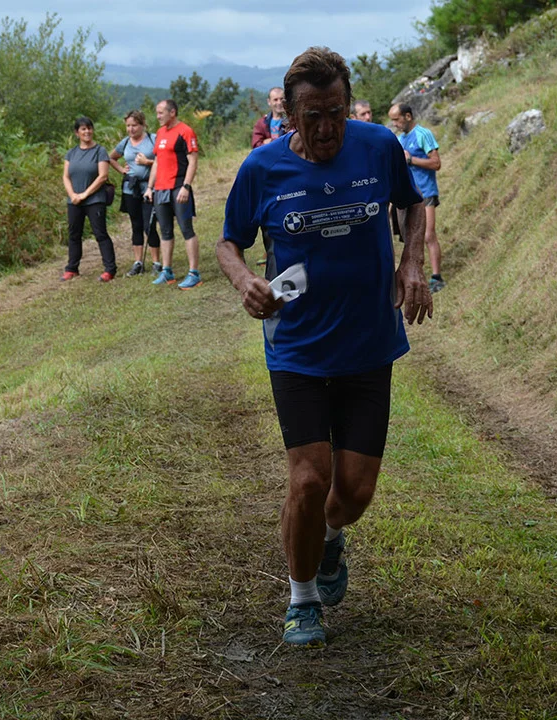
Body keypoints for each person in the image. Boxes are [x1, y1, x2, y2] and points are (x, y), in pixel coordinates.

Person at [216, 46, 432, 647]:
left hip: (369, 343)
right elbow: (229, 243)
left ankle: (330, 538)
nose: (328, 127)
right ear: (289, 115)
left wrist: (412, 262)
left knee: (354, 493)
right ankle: (302, 597)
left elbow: (412, 204)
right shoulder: (262, 168)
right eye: (313, 116)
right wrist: (244, 281)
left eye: (337, 112)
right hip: (299, 349)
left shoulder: (378, 145)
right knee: (309, 480)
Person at [144, 99, 202, 289]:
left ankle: (194, 273)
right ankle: (167, 271)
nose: (158, 116)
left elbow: (193, 160)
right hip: (160, 189)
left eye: (161, 112)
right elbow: (157, 162)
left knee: (186, 229)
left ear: (172, 112)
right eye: (157, 112)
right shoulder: (160, 133)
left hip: (178, 186)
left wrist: (186, 186)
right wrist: (150, 187)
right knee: (165, 231)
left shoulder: (185, 131)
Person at [388, 102, 445, 293]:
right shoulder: (399, 139)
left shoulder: (423, 134)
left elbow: (436, 163)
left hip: (426, 192)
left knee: (428, 235)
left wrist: (411, 159)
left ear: (408, 116)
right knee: (410, 238)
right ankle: (415, 275)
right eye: (392, 120)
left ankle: (437, 277)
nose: (394, 124)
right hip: (408, 196)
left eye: (397, 119)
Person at [61, 116, 117, 282]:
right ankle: (72, 268)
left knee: (100, 233)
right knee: (74, 234)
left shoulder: (100, 151)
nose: (87, 132)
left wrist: (85, 194)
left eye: (89, 128)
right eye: (83, 129)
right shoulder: (71, 153)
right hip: (74, 201)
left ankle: (110, 269)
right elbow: (66, 176)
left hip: (95, 200)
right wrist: (72, 195)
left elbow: (103, 176)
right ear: (77, 133)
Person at [111, 110, 162, 277]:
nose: (131, 129)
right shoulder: (125, 142)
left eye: (134, 125)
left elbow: (164, 160)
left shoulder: (152, 139)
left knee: (149, 224)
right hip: (130, 188)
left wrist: (147, 162)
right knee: (136, 225)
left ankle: (156, 262)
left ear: (142, 125)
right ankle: (138, 262)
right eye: (128, 126)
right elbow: (111, 158)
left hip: (149, 187)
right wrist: (121, 170)